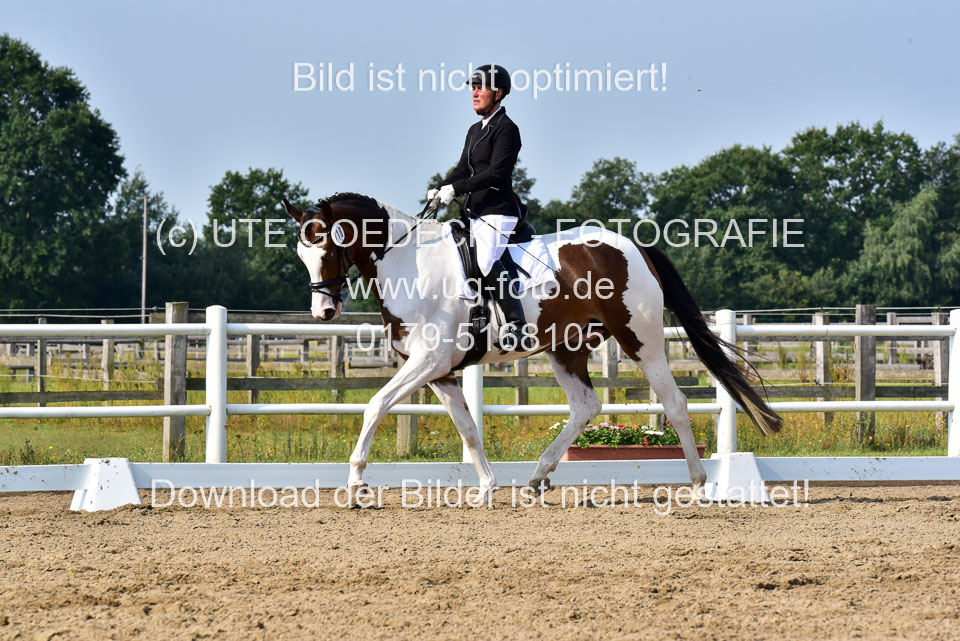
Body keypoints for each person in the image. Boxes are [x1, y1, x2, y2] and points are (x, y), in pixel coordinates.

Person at [427, 63, 528, 352]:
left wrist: (457, 189)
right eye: (473, 88)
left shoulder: (507, 129)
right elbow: (462, 168)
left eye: (480, 88)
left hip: (498, 210)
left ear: (499, 93)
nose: (474, 93)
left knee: (484, 261)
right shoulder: (474, 130)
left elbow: (496, 173)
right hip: (474, 211)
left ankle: (517, 326)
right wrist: (441, 188)